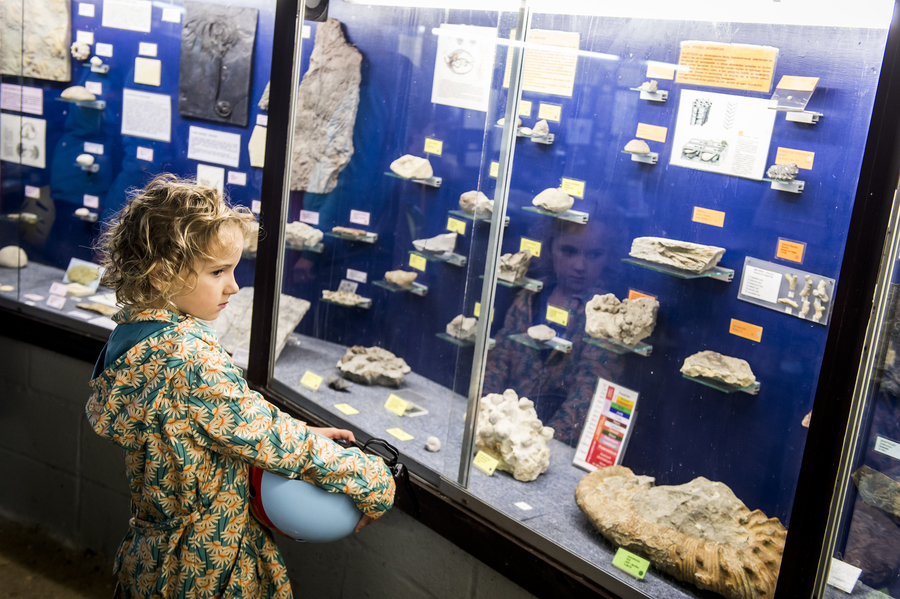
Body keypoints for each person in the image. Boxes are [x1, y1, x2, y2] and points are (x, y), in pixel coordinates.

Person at [85, 174, 396, 598]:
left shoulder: (137, 336)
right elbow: (272, 439)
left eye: (234, 269)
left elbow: (215, 423)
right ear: (160, 275)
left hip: (155, 559)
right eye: (217, 272)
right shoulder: (188, 359)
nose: (233, 285)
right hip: (205, 568)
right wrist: (373, 479)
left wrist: (296, 431)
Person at [483, 217, 622, 445]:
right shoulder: (531, 295)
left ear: (608, 257)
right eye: (568, 251)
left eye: (594, 255)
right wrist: (486, 415)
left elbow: (587, 392)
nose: (580, 266)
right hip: (503, 427)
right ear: (549, 249)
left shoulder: (607, 315)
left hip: (551, 442)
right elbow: (497, 360)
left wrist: (542, 444)